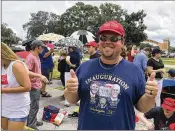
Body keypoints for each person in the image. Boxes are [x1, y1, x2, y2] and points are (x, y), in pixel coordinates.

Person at [64, 20, 158, 130]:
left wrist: (150, 97)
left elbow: (142, 107)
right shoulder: (85, 67)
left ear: (122, 42)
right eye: (103, 38)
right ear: (99, 42)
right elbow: (72, 100)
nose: (107, 42)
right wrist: (70, 90)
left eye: (114, 38)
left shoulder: (135, 71)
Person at [1, 43, 31, 130]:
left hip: (18, 107)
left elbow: (27, 87)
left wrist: (3, 90)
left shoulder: (16, 65)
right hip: (4, 105)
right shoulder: (2, 66)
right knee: (4, 128)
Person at [25, 40, 45, 129]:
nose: (43, 48)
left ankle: (33, 121)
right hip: (33, 86)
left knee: (35, 105)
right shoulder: (31, 57)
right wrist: (39, 76)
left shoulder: (36, 55)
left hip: (37, 84)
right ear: (37, 47)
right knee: (34, 106)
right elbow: (26, 72)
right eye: (42, 47)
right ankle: (31, 125)